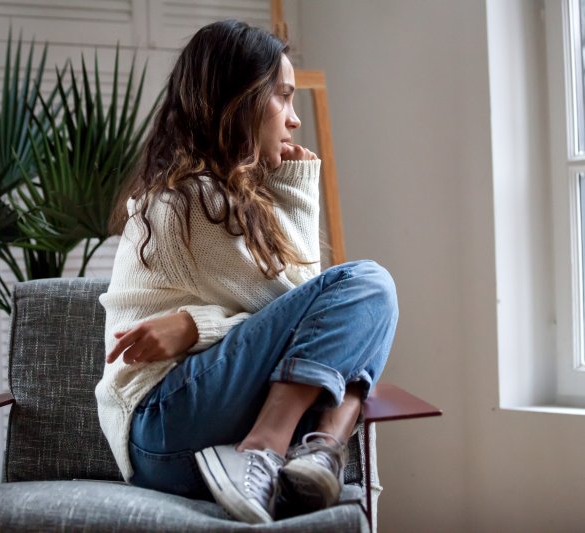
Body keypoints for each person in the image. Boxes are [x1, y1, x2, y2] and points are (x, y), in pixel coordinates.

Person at [95, 19, 398, 524]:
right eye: (282, 97)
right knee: (369, 286)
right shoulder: (190, 200)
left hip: (188, 432)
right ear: (240, 100)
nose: (295, 120)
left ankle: (318, 453)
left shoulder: (227, 198)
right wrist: (299, 187)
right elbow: (309, 302)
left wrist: (196, 326)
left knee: (357, 321)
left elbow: (309, 326)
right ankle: (276, 445)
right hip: (164, 421)